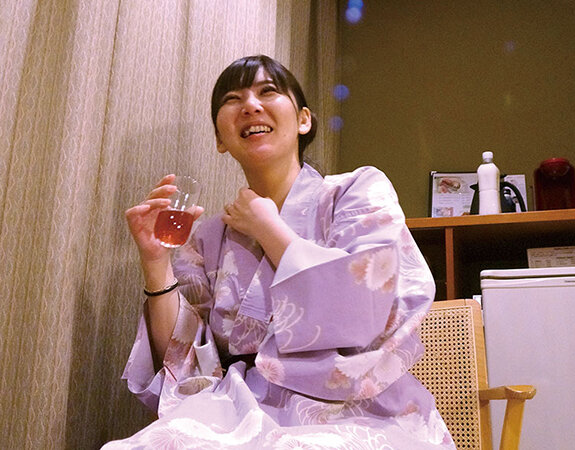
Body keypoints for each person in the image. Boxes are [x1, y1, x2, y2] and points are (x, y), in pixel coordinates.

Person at [106, 55, 455, 449]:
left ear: (304, 120)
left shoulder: (357, 192)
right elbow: (182, 357)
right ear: (220, 139)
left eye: (268, 91)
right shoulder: (208, 237)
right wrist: (155, 262)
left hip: (356, 407)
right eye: (233, 99)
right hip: (240, 408)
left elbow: (366, 307)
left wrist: (267, 227)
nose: (251, 105)